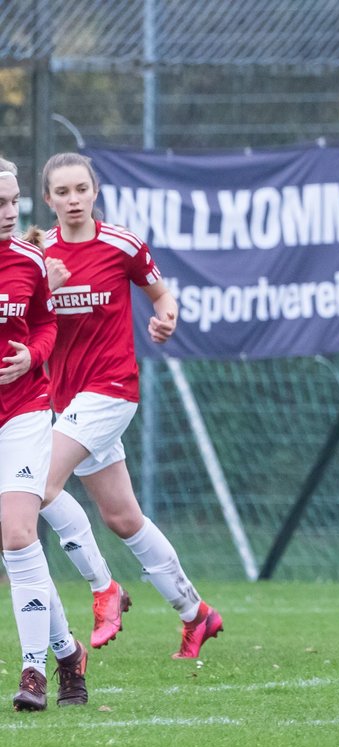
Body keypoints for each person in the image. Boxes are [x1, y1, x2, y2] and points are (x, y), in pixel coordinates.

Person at [36, 152, 221, 659]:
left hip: (113, 389)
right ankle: (195, 613)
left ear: (95, 191)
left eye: (81, 189)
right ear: (48, 199)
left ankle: (104, 588)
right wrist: (43, 290)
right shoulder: (42, 256)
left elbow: (162, 296)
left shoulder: (122, 244)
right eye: (63, 192)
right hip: (67, 399)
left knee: (39, 484)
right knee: (122, 518)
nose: (73, 200)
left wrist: (166, 319)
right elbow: (29, 326)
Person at [0, 157, 89, 710]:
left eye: (12, 202)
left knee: (15, 533)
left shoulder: (29, 260)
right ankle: (68, 652)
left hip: (26, 411)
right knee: (21, 544)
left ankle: (33, 672)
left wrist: (31, 354)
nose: (8, 214)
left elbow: (47, 323)